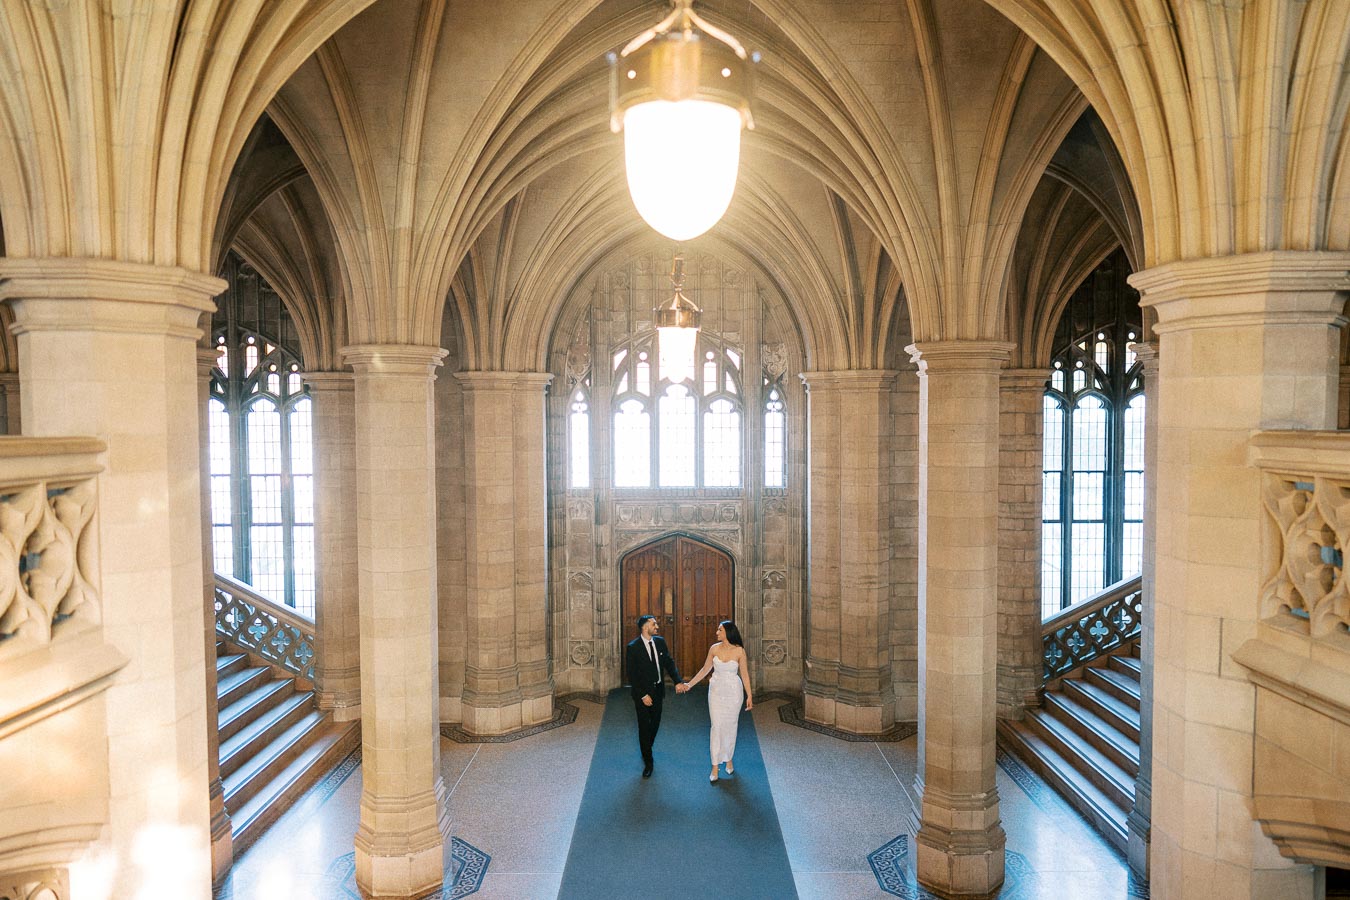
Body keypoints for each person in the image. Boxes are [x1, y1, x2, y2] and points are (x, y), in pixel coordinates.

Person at [679, 620, 753, 783]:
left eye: (719, 630)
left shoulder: (740, 651)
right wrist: (689, 684)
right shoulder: (714, 648)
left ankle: (729, 758)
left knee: (730, 726)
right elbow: (705, 669)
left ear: (728, 632)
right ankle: (714, 766)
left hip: (734, 693)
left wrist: (749, 695)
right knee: (717, 726)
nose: (716, 633)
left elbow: (745, 675)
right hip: (716, 692)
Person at [625, 614, 684, 778]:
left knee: (655, 724)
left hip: (658, 691)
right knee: (644, 726)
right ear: (645, 627)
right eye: (654, 624)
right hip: (642, 694)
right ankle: (648, 762)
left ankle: (646, 748)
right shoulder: (633, 647)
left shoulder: (660, 642)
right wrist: (643, 695)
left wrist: (677, 681)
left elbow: (669, 663)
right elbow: (632, 675)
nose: (657, 627)